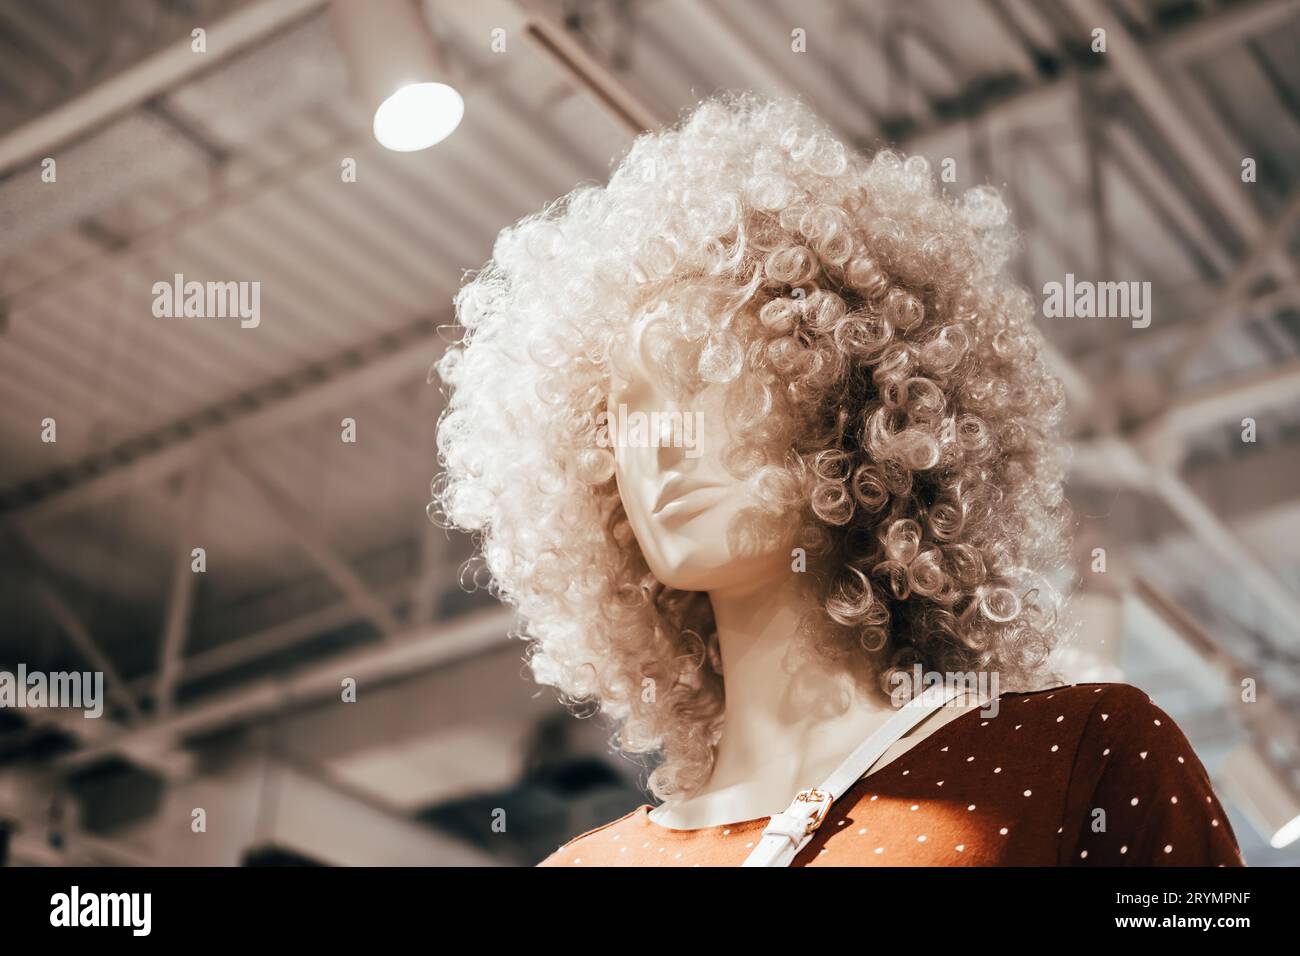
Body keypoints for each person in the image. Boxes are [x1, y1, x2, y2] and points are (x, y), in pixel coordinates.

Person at [432, 94, 1242, 866]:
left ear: (847, 405)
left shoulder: (1077, 758)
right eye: (626, 414)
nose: (664, 444)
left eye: (711, 383)